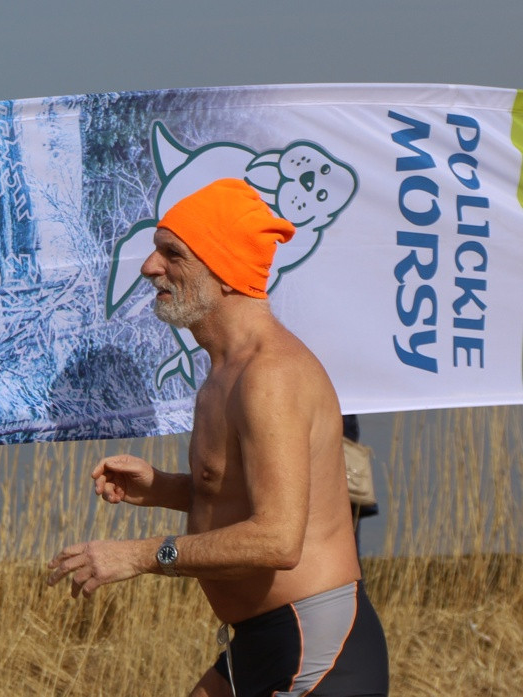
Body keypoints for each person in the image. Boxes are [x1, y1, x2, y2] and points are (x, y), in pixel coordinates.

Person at [46, 179, 388, 696]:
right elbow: (251, 495)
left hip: (318, 652)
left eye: (172, 254)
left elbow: (276, 539)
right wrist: (162, 488)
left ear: (223, 270)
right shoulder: (224, 373)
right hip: (256, 647)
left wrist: (139, 556)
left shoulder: (269, 375)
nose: (148, 267)